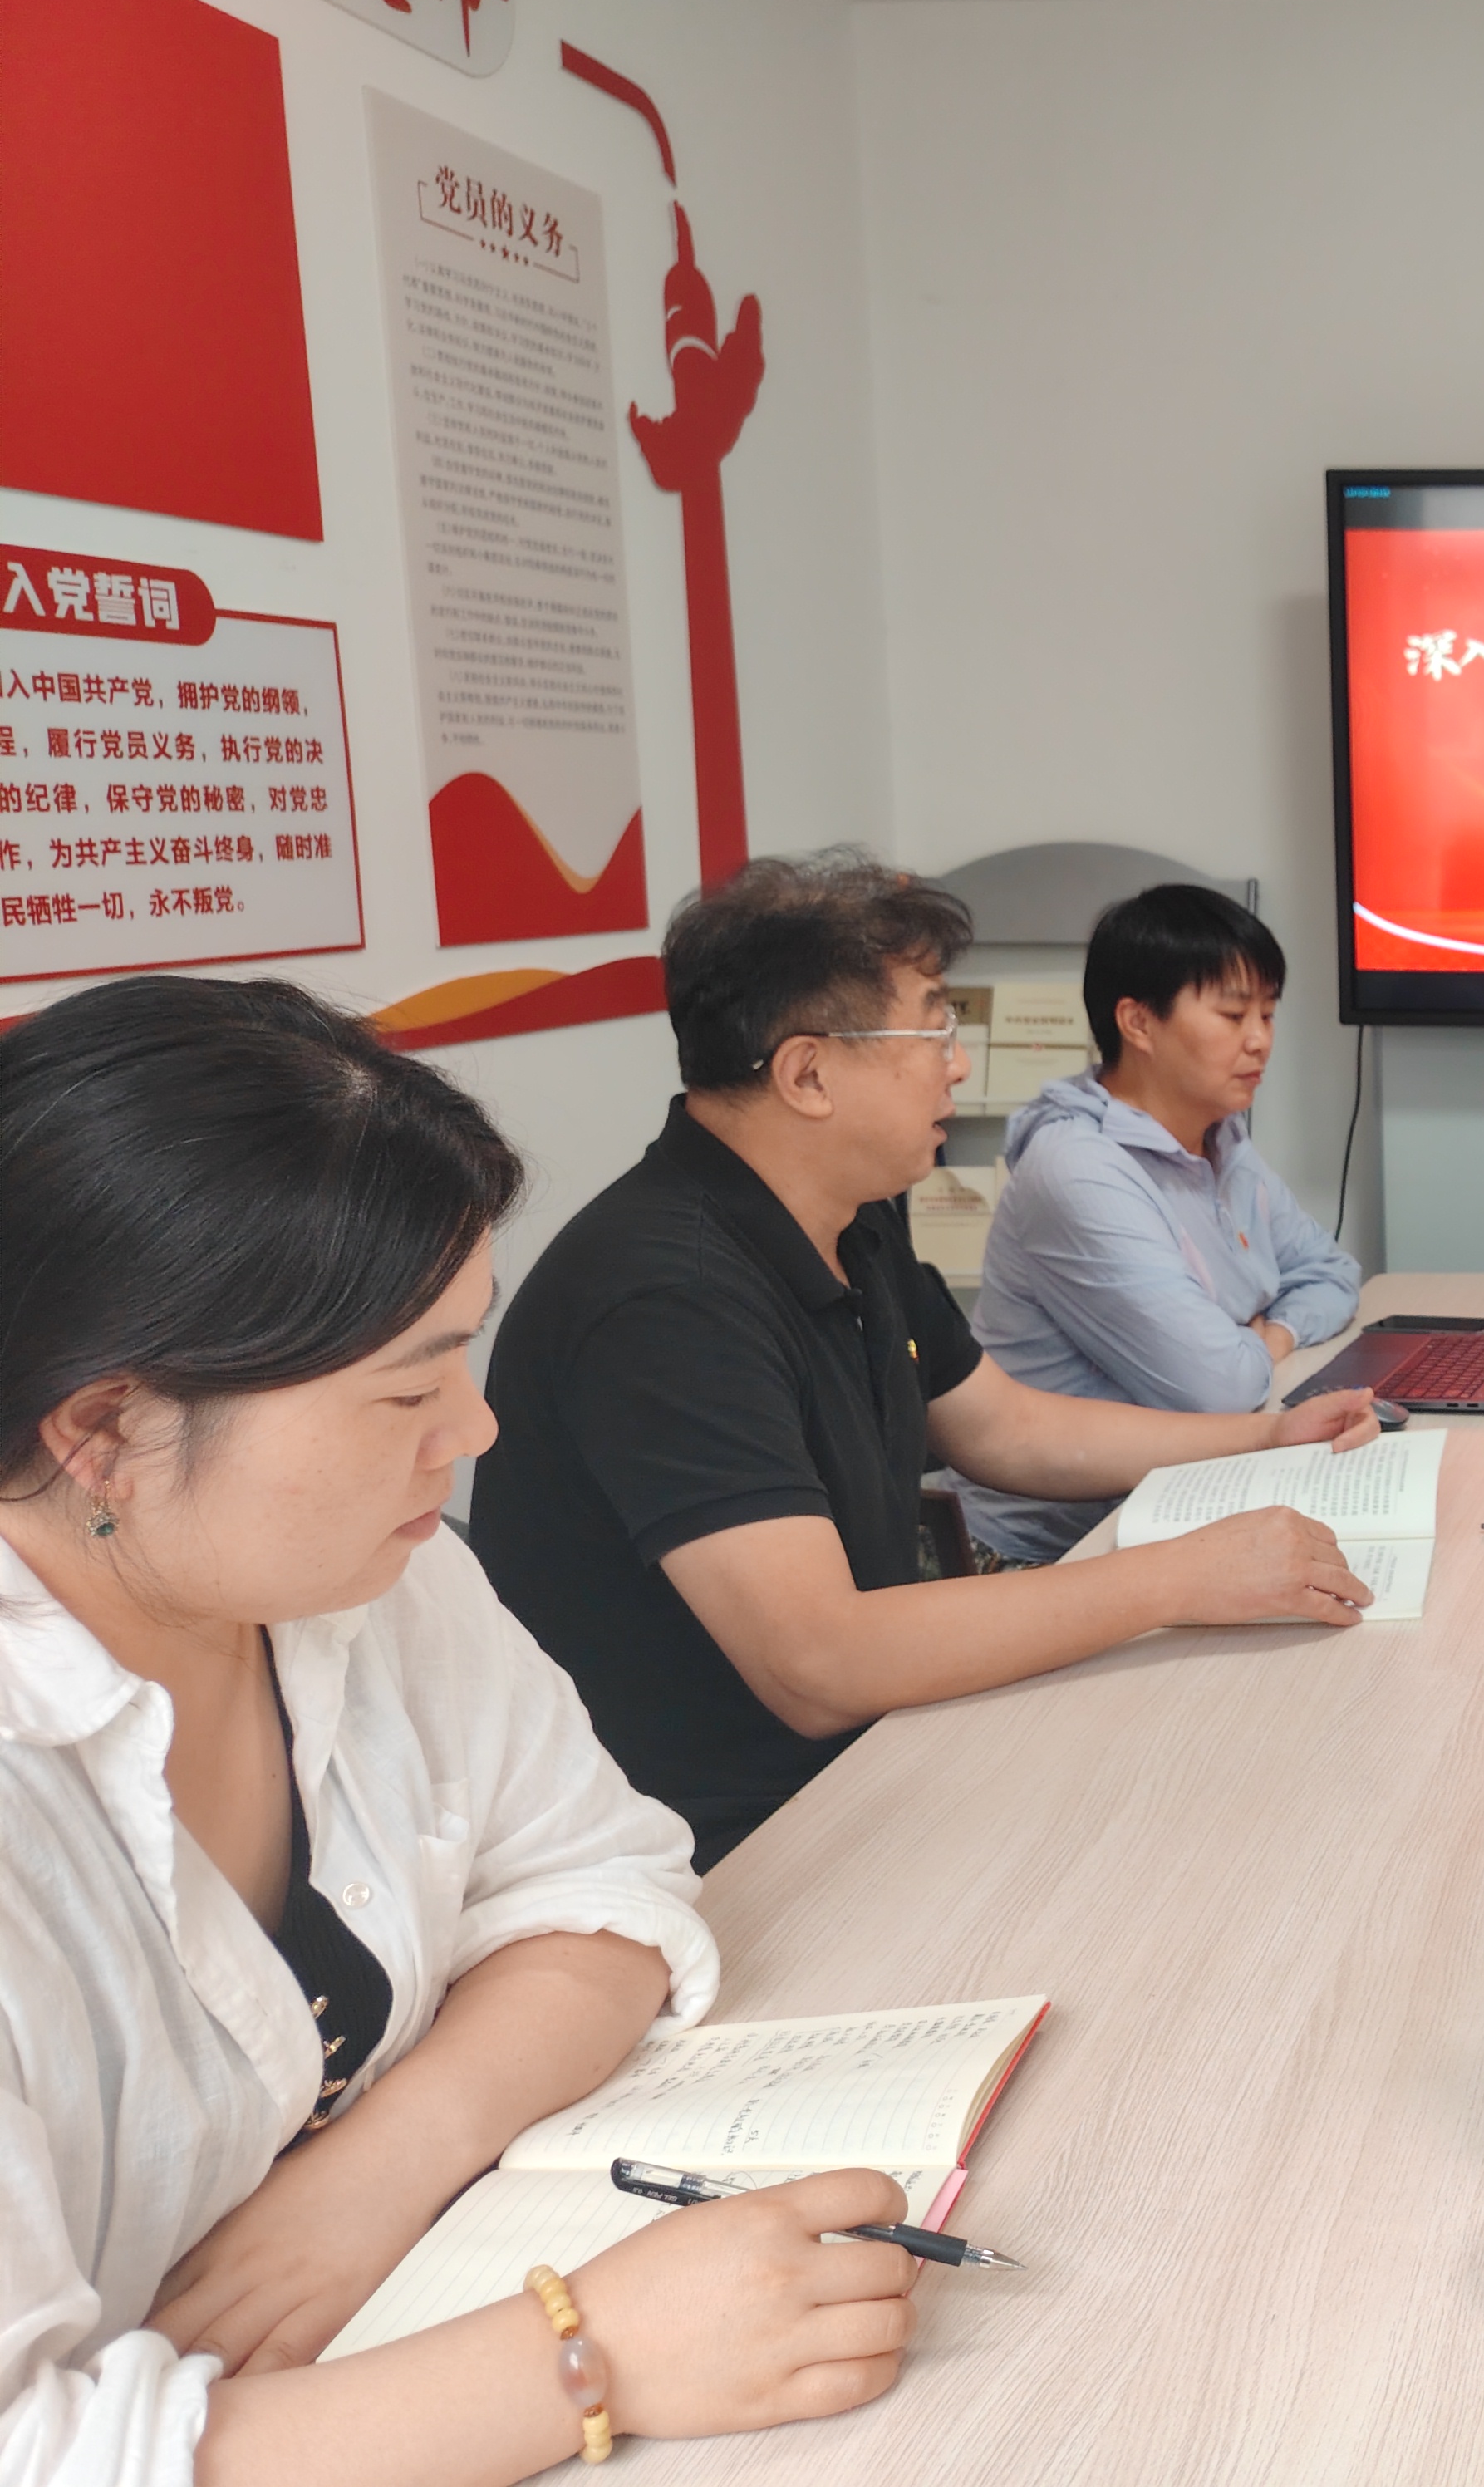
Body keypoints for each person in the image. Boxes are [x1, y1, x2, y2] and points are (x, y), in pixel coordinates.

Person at [0, 976, 923, 2485]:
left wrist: (368, 2176)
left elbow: (603, 1890)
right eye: (404, 1389)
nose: (475, 1429)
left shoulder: (369, 1575)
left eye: (463, 1352)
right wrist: (592, 2358)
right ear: (105, 1432)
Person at [476, 855, 1381, 1869]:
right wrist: (1178, 1578)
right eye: (935, 1029)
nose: (958, 1065)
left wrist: (1263, 1434)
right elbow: (817, 1662)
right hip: (722, 1847)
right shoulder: (664, 1294)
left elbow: (1005, 1427)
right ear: (807, 1075)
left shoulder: (849, 1218)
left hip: (877, 1758)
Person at [962, 883, 1361, 1565]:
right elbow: (1220, 1391)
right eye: (1233, 1014)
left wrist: (1269, 1336)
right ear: (1139, 1023)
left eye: (1268, 1013)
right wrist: (1243, 1351)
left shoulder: (1220, 1137)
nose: (1261, 1040)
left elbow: (1331, 1273)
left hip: (1179, 1505)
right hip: (1054, 1553)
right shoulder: (1078, 1169)